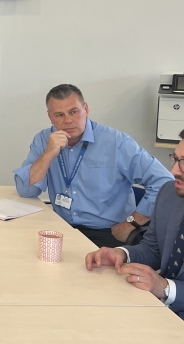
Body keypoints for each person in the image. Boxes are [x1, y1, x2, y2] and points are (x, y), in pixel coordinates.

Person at [85, 122, 184, 331]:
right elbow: (154, 249)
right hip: (152, 307)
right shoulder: (171, 192)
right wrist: (122, 254)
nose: (174, 170)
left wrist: (166, 288)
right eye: (176, 159)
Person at [13, 84, 172, 247]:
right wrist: (48, 154)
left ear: (86, 109)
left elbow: (165, 182)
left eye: (73, 112)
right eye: (59, 115)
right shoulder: (43, 139)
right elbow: (26, 190)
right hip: (61, 228)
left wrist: (132, 223)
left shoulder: (116, 142)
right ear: (50, 117)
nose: (68, 120)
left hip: (107, 233)